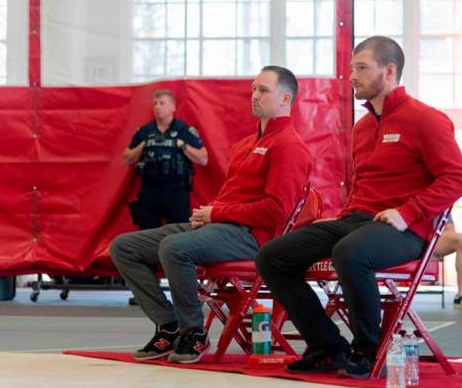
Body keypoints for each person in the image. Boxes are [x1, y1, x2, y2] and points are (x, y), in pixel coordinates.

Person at [256, 36, 462, 378]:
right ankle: (328, 347)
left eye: (361, 67)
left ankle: (368, 351)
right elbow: (363, 185)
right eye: (352, 67)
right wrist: (340, 217)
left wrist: (408, 211)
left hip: (405, 229)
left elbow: (457, 178)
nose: (352, 75)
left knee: (350, 252)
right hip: (357, 221)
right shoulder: (363, 126)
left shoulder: (426, 119)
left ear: (389, 71)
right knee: (272, 257)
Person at [110, 66, 312, 363]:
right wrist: (210, 215)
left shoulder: (289, 146)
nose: (255, 96)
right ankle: (168, 326)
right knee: (123, 247)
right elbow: (232, 197)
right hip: (219, 227)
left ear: (285, 99)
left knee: (174, 248)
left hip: (253, 236)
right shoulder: (245, 145)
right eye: (254, 89)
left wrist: (217, 213)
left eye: (263, 90)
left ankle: (193, 332)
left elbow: (277, 210)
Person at [124, 89, 208, 230]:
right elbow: (127, 158)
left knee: (178, 233)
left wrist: (183, 146)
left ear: (172, 107)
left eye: (162, 103)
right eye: (155, 103)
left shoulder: (183, 130)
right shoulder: (145, 131)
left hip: (176, 190)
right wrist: (143, 145)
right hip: (150, 190)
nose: (157, 106)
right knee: (147, 234)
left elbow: (204, 159)